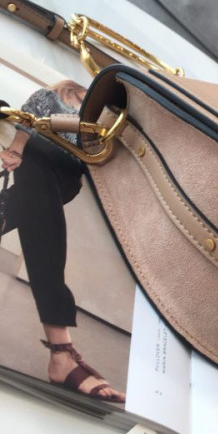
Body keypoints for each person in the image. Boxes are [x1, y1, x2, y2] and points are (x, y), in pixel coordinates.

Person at [0, 80, 125, 403]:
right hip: (39, 159)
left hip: (66, 180)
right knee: (46, 239)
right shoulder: (50, 97)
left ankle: (62, 355)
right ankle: (62, 352)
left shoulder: (96, 118)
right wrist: (16, 149)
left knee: (29, 212)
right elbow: (29, 118)